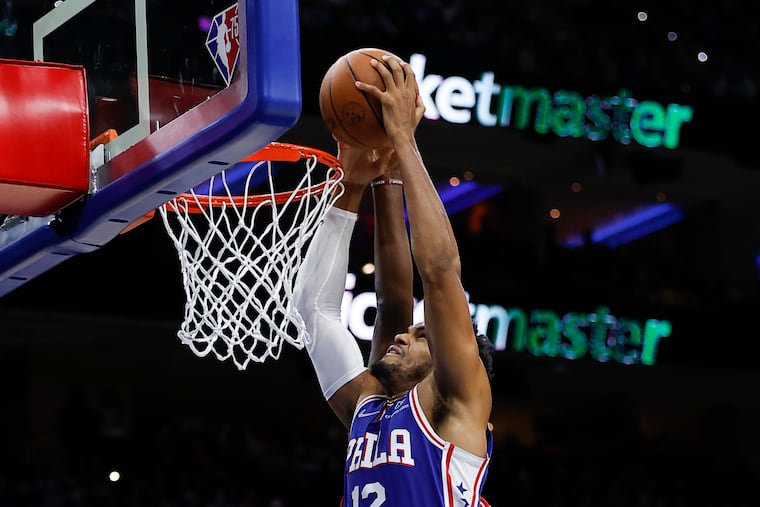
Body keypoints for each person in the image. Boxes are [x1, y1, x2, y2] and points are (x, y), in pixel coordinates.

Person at [293, 53, 493, 506]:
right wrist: (366, 183)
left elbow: (440, 273)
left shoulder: (456, 401)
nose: (404, 335)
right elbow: (318, 312)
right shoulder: (370, 402)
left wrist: (404, 139)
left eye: (421, 336)